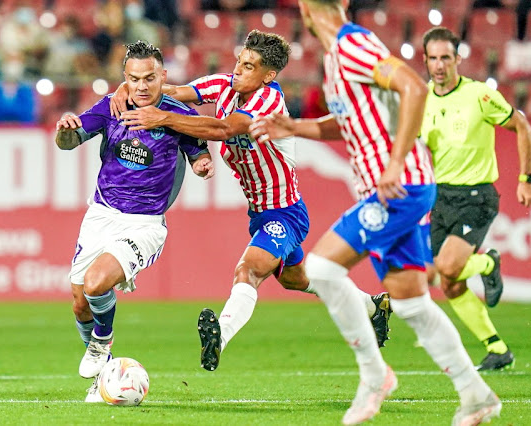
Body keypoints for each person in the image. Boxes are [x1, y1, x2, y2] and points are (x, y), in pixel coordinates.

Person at [248, 2, 500, 425]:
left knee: (323, 268)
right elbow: (347, 123)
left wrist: (395, 163)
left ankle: (374, 375)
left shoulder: (352, 45)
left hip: (400, 187)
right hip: (398, 187)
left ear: (308, 9)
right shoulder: (335, 58)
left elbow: (414, 88)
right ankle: (476, 396)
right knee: (411, 304)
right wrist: (294, 127)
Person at [110, 29, 393, 372]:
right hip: (260, 213)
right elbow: (169, 91)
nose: (239, 71)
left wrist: (165, 117)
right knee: (295, 278)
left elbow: (223, 130)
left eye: (249, 66)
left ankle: (220, 335)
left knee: (248, 270)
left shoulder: (269, 102)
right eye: (240, 62)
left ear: (268, 75)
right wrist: (131, 88)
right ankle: (373, 308)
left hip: (285, 212)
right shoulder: (225, 85)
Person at [54, 41, 214, 397]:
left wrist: (202, 163)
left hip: (143, 224)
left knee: (97, 283)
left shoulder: (178, 114)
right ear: (124, 78)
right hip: (101, 214)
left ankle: (102, 342)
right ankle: (102, 371)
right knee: (80, 302)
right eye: (134, 79)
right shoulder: (112, 106)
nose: (142, 86)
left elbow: (198, 150)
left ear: (164, 76)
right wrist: (65, 130)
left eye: (150, 78)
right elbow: (69, 140)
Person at [420, 26, 531, 371]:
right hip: (440, 198)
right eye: (433, 58)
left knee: (446, 268)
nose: (439, 65)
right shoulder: (419, 98)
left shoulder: (480, 95)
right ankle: (497, 348)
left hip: (476, 196)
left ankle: (488, 263)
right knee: (450, 285)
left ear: (457, 59)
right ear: (425, 60)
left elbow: (522, 126)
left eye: (445, 58)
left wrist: (526, 178)